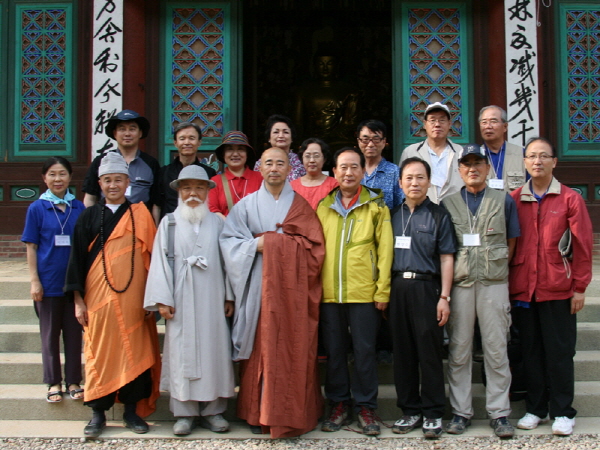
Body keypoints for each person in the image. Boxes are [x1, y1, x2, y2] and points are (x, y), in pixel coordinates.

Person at [220, 147, 325, 438]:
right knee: (261, 345)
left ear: (288, 169)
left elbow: (315, 249)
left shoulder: (301, 206)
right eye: (269, 163)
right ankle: (258, 412)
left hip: (292, 291)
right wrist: (256, 245)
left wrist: (276, 243)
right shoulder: (245, 206)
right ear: (261, 168)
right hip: (256, 287)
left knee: (291, 346)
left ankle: (290, 411)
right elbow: (229, 243)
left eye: (280, 163)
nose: (275, 168)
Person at [64, 152, 160, 439]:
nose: (113, 185)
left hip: (134, 299)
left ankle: (132, 411)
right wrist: (78, 300)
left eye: (118, 179)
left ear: (128, 182)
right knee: (99, 352)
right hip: (98, 298)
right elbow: (76, 261)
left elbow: (154, 262)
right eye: (107, 180)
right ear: (99, 183)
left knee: (136, 349)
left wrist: (152, 300)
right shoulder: (89, 216)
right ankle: (98, 412)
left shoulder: (140, 214)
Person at [510, 137, 593, 436]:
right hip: (524, 289)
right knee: (530, 351)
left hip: (558, 287)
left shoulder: (570, 199)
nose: (537, 161)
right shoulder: (515, 198)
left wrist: (580, 287)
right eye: (531, 156)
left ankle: (562, 411)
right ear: (524, 162)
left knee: (559, 352)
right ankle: (536, 407)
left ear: (554, 162)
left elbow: (582, 246)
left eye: (544, 156)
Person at [144, 165, 235, 436]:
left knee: (214, 351)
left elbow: (228, 262)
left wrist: (229, 295)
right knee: (181, 351)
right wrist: (162, 300)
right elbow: (159, 263)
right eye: (186, 188)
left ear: (208, 190)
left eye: (198, 187)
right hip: (180, 298)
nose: (192, 193)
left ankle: (214, 410)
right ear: (179, 192)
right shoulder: (169, 223)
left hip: (213, 296)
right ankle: (184, 412)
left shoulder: (218, 222)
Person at [441, 144, 520, 439]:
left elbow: (512, 241)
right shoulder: (448, 204)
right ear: (459, 170)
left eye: (478, 163)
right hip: (460, 285)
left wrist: (495, 266)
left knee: (496, 349)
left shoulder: (504, 200)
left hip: (493, 284)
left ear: (487, 168)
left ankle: (499, 413)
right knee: (459, 350)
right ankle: (461, 412)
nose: (472, 169)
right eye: (466, 164)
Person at [317, 147, 393, 436]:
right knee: (335, 352)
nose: (348, 173)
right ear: (334, 172)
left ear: (363, 171)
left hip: (364, 293)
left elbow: (385, 251)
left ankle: (365, 406)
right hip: (330, 293)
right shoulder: (323, 206)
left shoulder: (376, 205)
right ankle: (338, 404)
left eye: (354, 167)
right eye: (342, 168)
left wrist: (382, 290)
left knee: (364, 352)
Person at [389, 157, 455, 439]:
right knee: (403, 353)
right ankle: (409, 410)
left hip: (427, 288)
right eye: (408, 178)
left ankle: (433, 412)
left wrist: (445, 297)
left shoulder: (439, 215)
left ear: (429, 182)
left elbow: (447, 257)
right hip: (397, 290)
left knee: (429, 352)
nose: (414, 183)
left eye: (420, 178)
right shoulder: (391, 214)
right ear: (400, 182)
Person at [22, 157, 85, 403]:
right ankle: (53, 382)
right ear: (44, 178)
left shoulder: (78, 207)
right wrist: (34, 280)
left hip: (73, 285)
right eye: (52, 174)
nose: (57, 179)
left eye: (62, 174)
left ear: (70, 177)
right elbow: (31, 246)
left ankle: (73, 381)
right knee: (49, 336)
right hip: (48, 282)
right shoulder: (37, 208)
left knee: (73, 334)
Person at [82, 110, 161, 215]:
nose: (127, 133)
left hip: (140, 223)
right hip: (107, 222)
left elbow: (156, 203)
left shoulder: (151, 163)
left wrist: (154, 229)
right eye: (122, 129)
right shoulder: (102, 161)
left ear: (140, 133)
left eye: (132, 129)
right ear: (115, 133)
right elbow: (90, 198)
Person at [400, 102, 463, 204]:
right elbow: (403, 186)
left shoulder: (461, 152)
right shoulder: (410, 152)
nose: (437, 124)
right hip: (421, 212)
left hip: (456, 212)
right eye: (432, 120)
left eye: (442, 120)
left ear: (449, 124)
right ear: (425, 124)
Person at [156, 122, 217, 220]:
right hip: (171, 227)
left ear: (199, 142)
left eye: (192, 138)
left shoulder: (209, 173)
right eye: (182, 138)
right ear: (175, 143)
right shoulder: (164, 172)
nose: (187, 142)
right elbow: (157, 206)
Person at [209, 131, 262, 218]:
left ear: (247, 154)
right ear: (223, 154)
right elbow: (212, 210)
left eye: (240, 149)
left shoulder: (260, 178)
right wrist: (231, 227)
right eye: (230, 149)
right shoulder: (215, 182)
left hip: (255, 230)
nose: (235, 154)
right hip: (225, 229)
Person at [356, 119, 404, 210]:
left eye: (376, 139)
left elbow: (401, 206)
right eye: (365, 139)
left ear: (384, 142)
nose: (370, 144)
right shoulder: (353, 171)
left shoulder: (395, 172)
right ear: (359, 141)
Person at [479, 105, 527, 192]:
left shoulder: (521, 154)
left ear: (505, 127)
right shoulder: (475, 156)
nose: (488, 126)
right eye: (484, 122)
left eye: (493, 121)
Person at [253, 114, 306, 180]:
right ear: (269, 138)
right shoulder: (260, 164)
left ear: (292, 137)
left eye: (285, 132)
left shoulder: (301, 163)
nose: (281, 136)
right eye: (276, 132)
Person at [290, 138, 339, 209]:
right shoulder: (291, 186)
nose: (312, 160)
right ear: (302, 159)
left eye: (316, 156)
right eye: (307, 156)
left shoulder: (334, 185)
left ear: (324, 159)